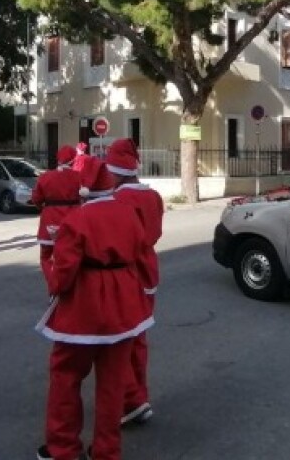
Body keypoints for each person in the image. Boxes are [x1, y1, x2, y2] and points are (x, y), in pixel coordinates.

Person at [36, 162, 154, 460]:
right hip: (124, 309)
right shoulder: (129, 214)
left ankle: (62, 448)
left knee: (65, 376)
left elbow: (63, 272)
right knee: (113, 385)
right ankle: (106, 450)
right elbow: (143, 255)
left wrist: (53, 285)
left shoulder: (77, 219)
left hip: (83, 310)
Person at [105, 138, 164, 427]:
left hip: (127, 275)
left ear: (115, 169)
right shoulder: (153, 196)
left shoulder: (120, 200)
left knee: (118, 342)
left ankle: (132, 400)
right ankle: (140, 394)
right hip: (148, 272)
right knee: (138, 339)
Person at [31, 145, 83, 274]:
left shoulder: (45, 177)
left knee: (46, 256)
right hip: (73, 219)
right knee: (72, 253)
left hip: (50, 218)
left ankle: (52, 282)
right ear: (74, 160)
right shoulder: (79, 177)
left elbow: (36, 198)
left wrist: (43, 208)